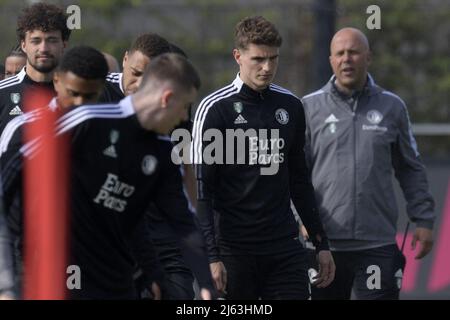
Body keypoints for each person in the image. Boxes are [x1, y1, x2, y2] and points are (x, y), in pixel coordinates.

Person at [1, 53, 214, 299]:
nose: (184, 118)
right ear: (167, 99)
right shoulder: (87, 120)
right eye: (184, 107)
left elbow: (182, 223)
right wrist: (6, 280)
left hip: (116, 282)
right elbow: (9, 176)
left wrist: (205, 283)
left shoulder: (164, 153)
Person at [191, 16, 335, 299]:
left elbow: (300, 181)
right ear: (238, 56)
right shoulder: (214, 109)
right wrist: (210, 256)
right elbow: (201, 190)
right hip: (233, 250)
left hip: (284, 248)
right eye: (258, 59)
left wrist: (321, 243)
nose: (267, 67)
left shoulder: (290, 105)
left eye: (273, 58)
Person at [302, 27, 435, 300]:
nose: (346, 59)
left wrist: (423, 218)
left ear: (368, 57)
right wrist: (300, 217)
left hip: (378, 243)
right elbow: (293, 173)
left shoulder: (392, 106)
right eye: (340, 53)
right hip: (323, 245)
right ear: (331, 60)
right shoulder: (308, 107)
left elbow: (410, 168)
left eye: (353, 52)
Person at [0, 45, 109, 299]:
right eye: (73, 94)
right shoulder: (26, 131)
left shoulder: (112, 133)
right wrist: (5, 284)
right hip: (29, 260)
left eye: (89, 96)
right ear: (58, 83)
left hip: (92, 263)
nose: (80, 104)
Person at [100, 34, 197, 300]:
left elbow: (186, 167)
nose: (140, 83)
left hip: (161, 235)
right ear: (125, 59)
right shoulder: (96, 91)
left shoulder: (173, 105)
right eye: (135, 73)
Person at [0, 2, 70, 133]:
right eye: (36, 41)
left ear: (64, 45)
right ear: (24, 45)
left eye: (52, 40)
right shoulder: (2, 93)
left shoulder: (78, 94)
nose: (43, 49)